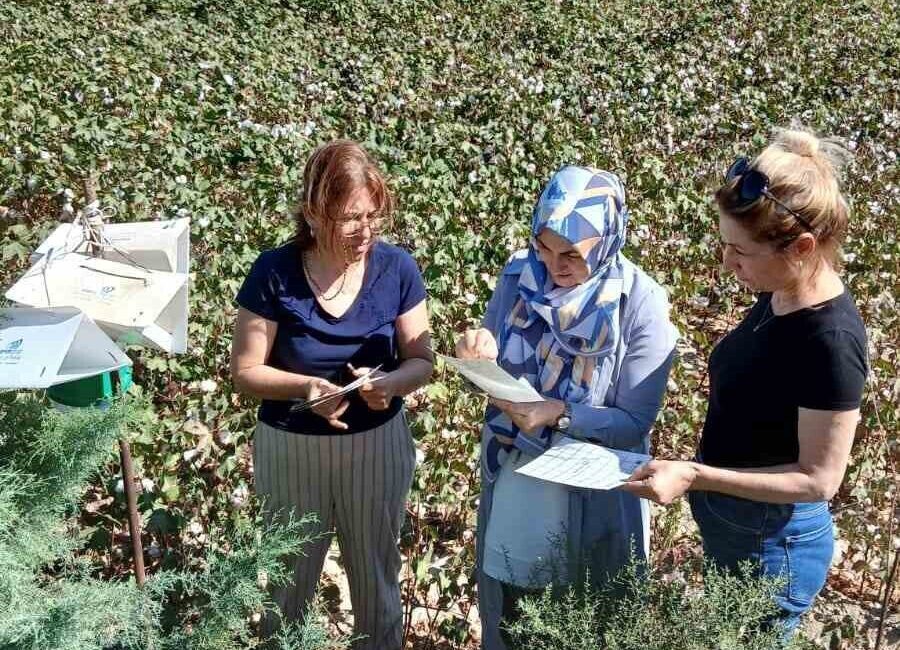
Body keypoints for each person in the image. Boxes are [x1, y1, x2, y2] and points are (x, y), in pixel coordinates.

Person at [623, 128, 867, 636]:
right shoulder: (780, 292)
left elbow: (819, 479)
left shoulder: (831, 340)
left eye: (740, 251)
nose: (727, 262)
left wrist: (696, 475)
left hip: (772, 548)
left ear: (801, 246)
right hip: (740, 532)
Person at [456, 166, 678, 649]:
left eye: (572, 255)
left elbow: (635, 422)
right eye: (544, 247)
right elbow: (492, 360)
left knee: (584, 624)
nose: (554, 265)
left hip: (592, 491)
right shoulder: (517, 278)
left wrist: (561, 412)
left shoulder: (639, 302)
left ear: (607, 242)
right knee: (517, 619)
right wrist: (478, 354)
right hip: (519, 480)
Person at [230, 139, 432, 649]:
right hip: (291, 448)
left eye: (373, 217)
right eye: (349, 219)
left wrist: (390, 385)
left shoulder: (398, 270)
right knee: (287, 586)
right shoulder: (273, 272)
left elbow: (422, 360)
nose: (364, 232)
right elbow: (246, 371)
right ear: (313, 214)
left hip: (377, 447)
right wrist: (306, 387)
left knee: (377, 583)